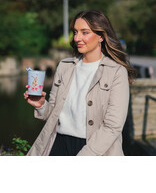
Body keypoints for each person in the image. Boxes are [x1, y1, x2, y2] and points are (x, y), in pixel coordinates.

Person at [24, 10, 136, 156]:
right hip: (58, 144)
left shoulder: (116, 72)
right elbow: (52, 113)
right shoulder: (64, 66)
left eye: (85, 32)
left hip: (95, 149)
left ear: (101, 36)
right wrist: (41, 105)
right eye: (75, 32)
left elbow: (113, 127)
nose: (77, 38)